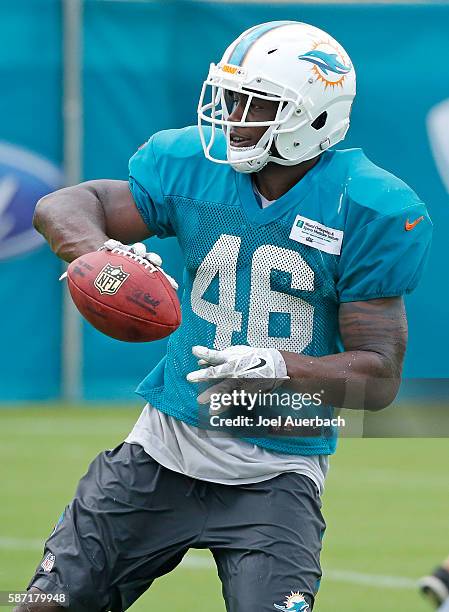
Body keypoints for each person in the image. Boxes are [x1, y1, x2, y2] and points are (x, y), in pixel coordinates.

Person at [17, 20, 432, 612]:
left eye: (254, 104)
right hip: (160, 452)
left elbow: (379, 379)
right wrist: (97, 254)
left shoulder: (370, 206)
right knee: (44, 604)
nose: (233, 116)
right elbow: (66, 204)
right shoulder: (189, 162)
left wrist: (277, 365)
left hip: (277, 472)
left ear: (313, 118)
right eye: (230, 97)